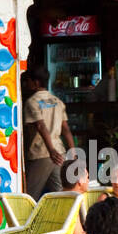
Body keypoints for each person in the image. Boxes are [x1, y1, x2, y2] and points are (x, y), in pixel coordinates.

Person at [22, 65, 74, 201]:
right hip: (60, 153)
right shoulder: (58, 102)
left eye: (28, 81)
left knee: (29, 197)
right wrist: (73, 152)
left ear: (36, 82)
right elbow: (66, 129)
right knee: (63, 195)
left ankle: (28, 222)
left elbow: (40, 125)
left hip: (41, 154)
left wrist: (51, 150)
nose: (26, 84)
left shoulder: (32, 102)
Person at [60, 156, 98, 234]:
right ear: (80, 180)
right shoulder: (70, 201)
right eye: (87, 176)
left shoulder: (56, 197)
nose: (88, 180)